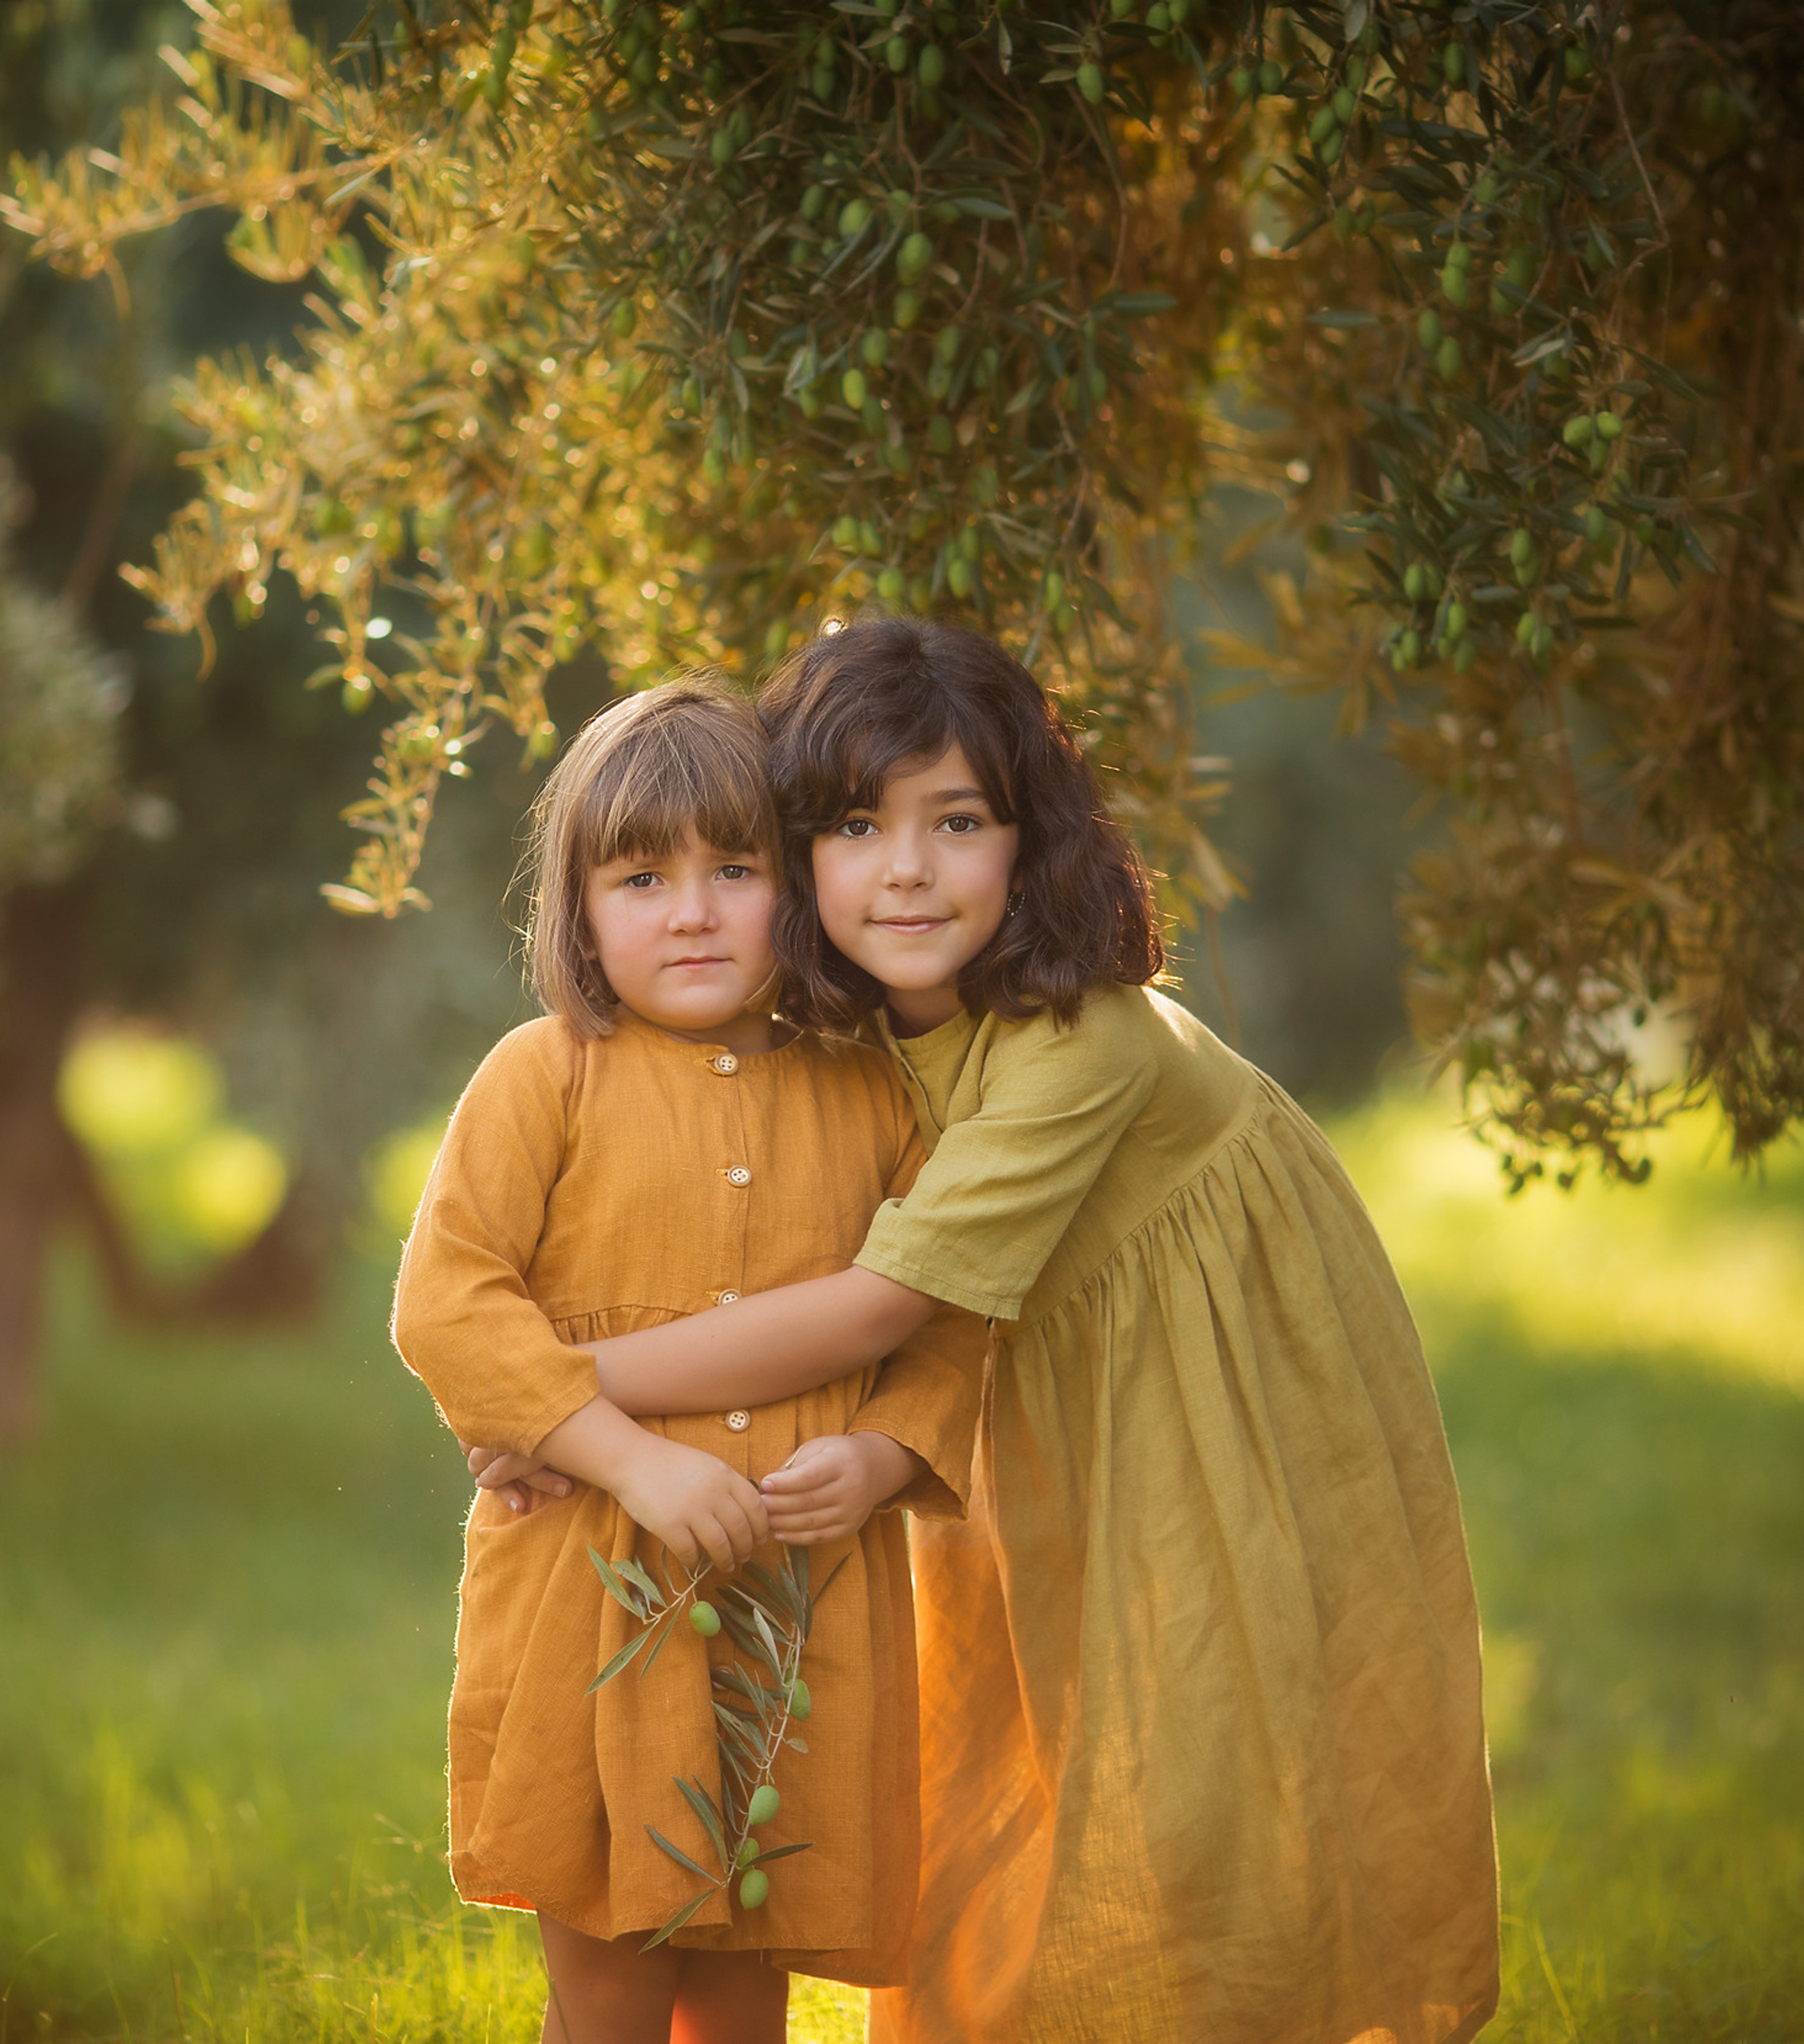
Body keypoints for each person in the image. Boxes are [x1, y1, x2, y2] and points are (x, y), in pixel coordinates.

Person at [477, 620, 1501, 2044]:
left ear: (1032, 842)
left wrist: (549, 1398)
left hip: (1212, 1372)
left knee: (1204, 1726)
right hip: (1028, 1367)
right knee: (1012, 1740)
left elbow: (884, 1303)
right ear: (797, 856)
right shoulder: (840, 1044)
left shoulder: (1087, 1039)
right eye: (852, 825)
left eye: (957, 821)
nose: (906, 870)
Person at [390, 677, 984, 2044]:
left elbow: (954, 1316)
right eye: (642, 876)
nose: (695, 910)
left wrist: (887, 1453)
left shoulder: (870, 1090)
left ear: (796, 885)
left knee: (743, 1980)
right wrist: (623, 1457)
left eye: (735, 869)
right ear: (581, 911)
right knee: (606, 1977)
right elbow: (448, 1302)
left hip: (800, 1596)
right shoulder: (546, 1075)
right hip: (591, 1594)